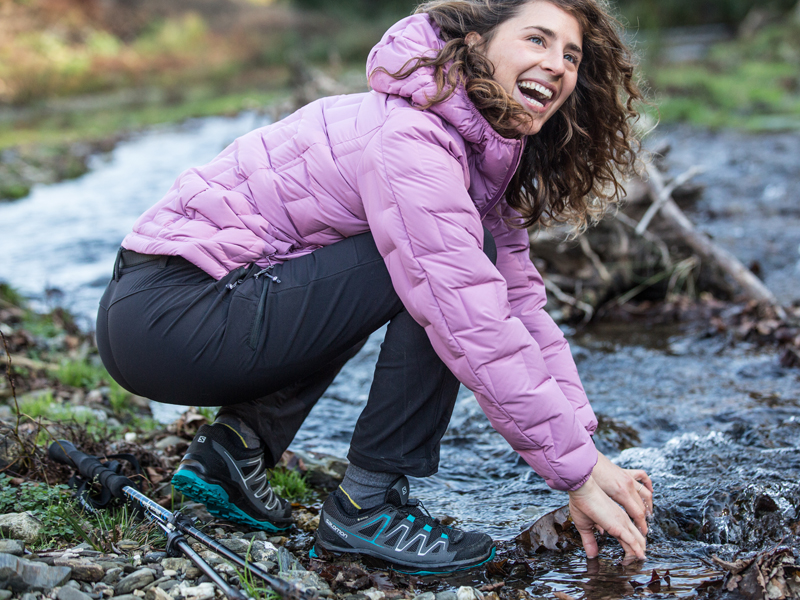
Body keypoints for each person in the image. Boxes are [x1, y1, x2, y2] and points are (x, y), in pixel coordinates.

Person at [96, 0, 654, 574]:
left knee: (416, 265)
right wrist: (576, 472)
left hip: (164, 310)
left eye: (571, 55)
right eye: (537, 40)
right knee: (439, 280)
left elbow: (522, 310)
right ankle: (367, 506)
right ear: (474, 43)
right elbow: (474, 322)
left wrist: (586, 448)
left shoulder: (472, 159)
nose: (558, 64)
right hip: (174, 315)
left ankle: (233, 452)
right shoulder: (413, 138)